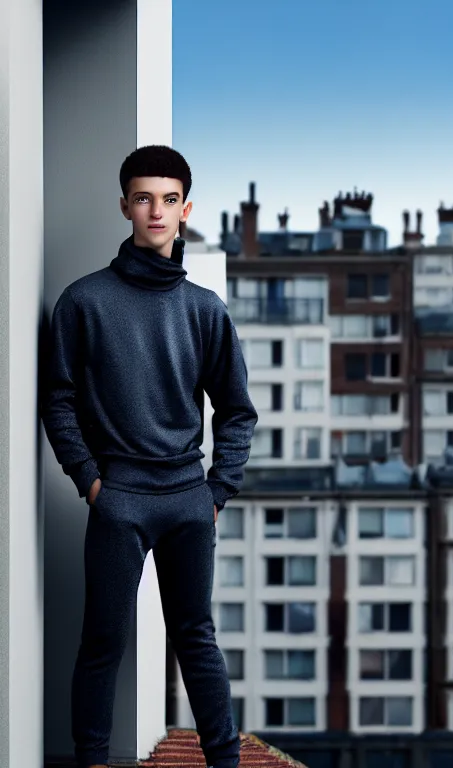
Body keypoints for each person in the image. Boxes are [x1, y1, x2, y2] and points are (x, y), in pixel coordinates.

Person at [41, 145, 258, 768]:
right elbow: (58, 400)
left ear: (185, 210)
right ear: (125, 206)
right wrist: (89, 482)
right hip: (119, 500)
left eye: (168, 200)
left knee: (197, 639)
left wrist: (218, 491)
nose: (155, 212)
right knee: (102, 641)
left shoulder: (205, 311)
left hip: (189, 499)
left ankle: (226, 762)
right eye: (143, 199)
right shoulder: (83, 303)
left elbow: (237, 410)